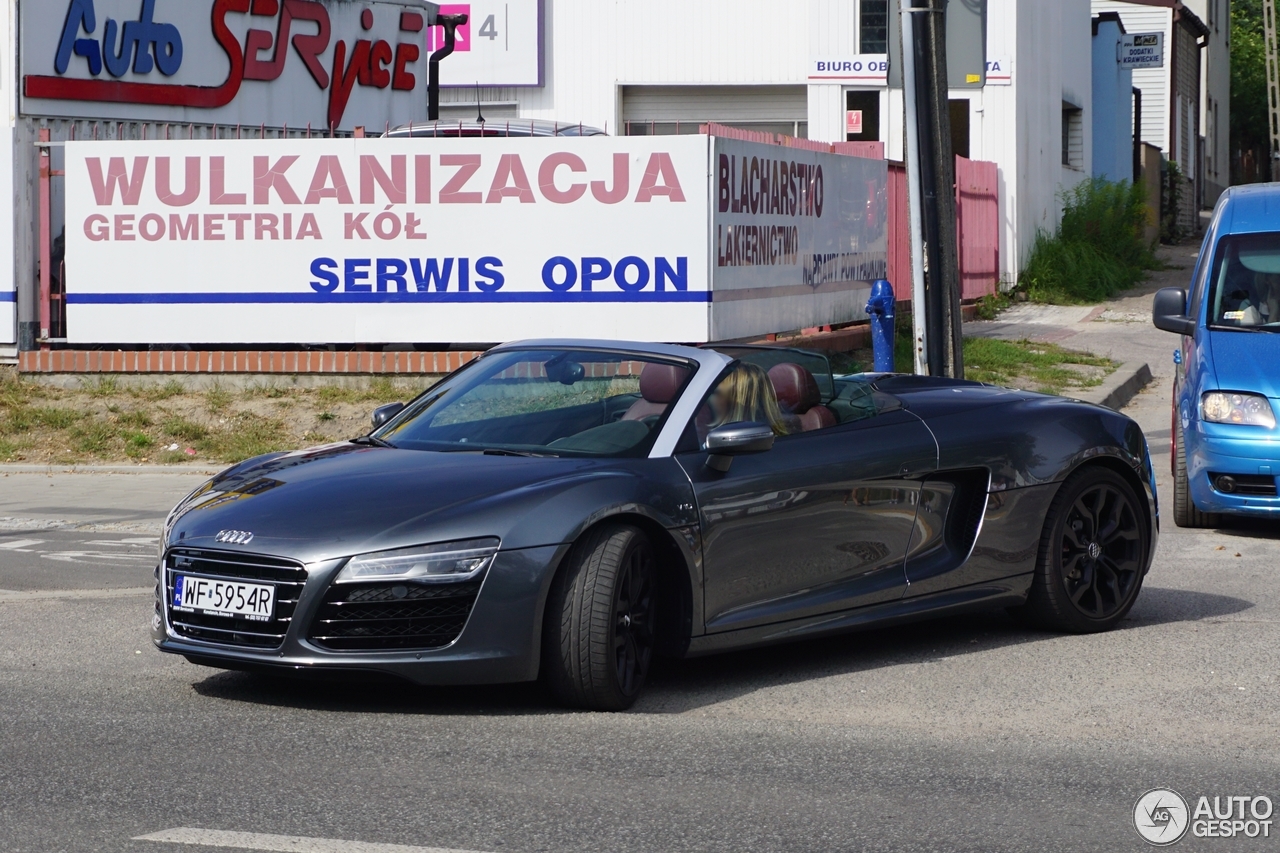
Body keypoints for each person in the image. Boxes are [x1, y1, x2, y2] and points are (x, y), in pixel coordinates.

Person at [706, 362, 793, 437]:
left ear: (737, 403)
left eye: (714, 392)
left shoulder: (728, 444)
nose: (707, 398)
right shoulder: (781, 439)